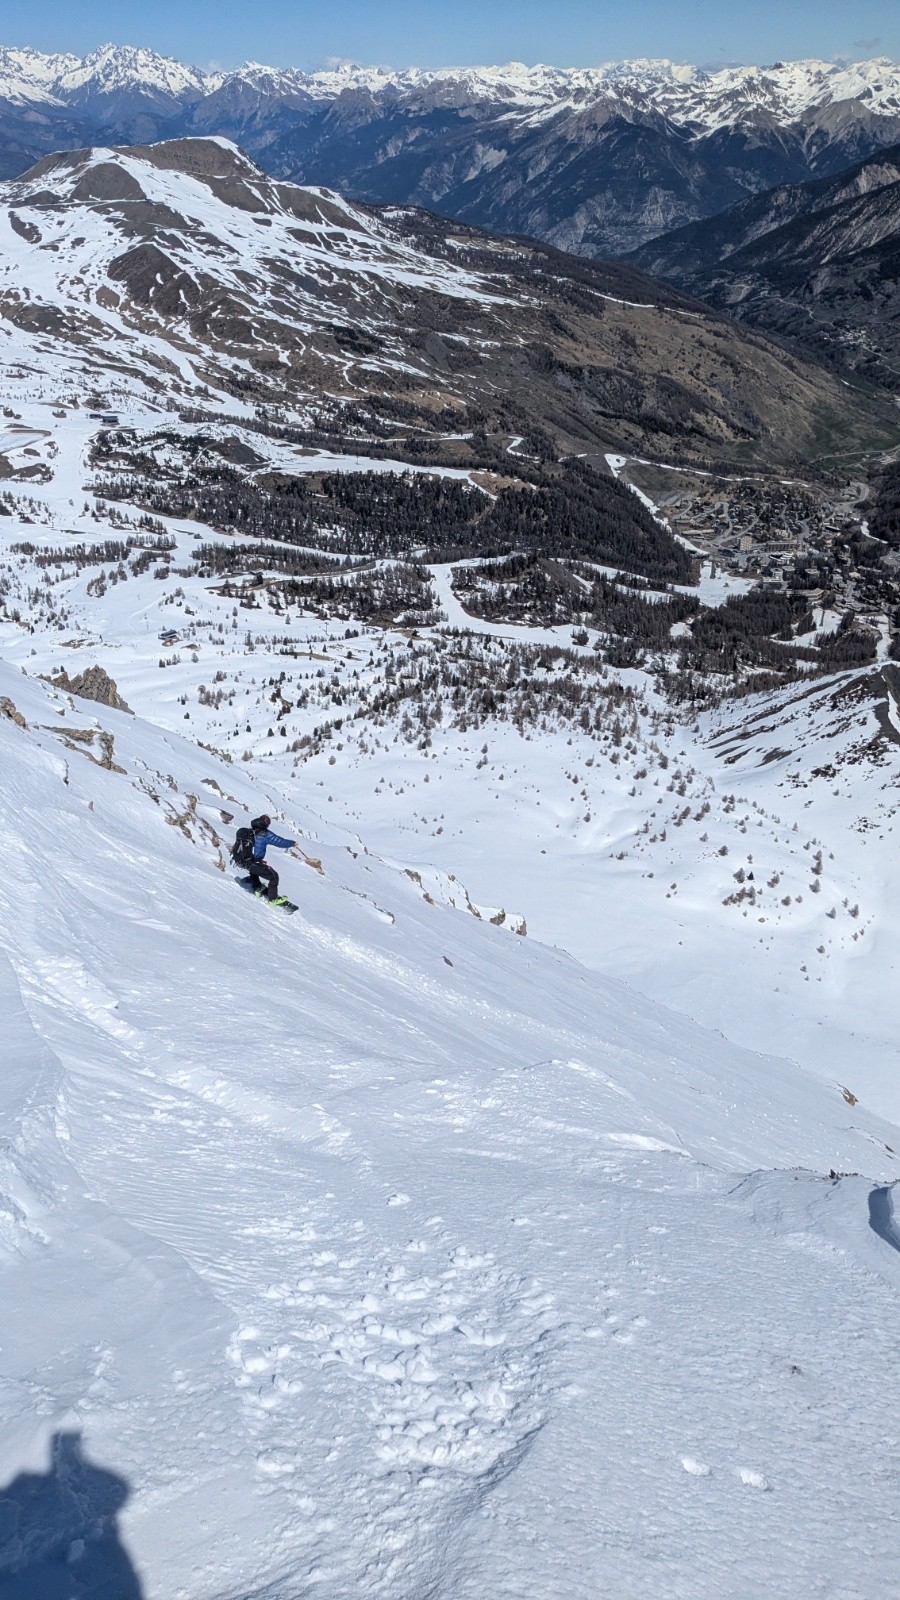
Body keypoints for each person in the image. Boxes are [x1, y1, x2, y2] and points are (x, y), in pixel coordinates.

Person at [246, 814, 295, 902]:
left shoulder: (250, 831)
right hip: (255, 862)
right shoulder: (265, 834)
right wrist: (293, 843)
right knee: (274, 877)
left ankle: (256, 886)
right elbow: (279, 841)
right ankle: (273, 900)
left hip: (246, 861)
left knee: (255, 867)